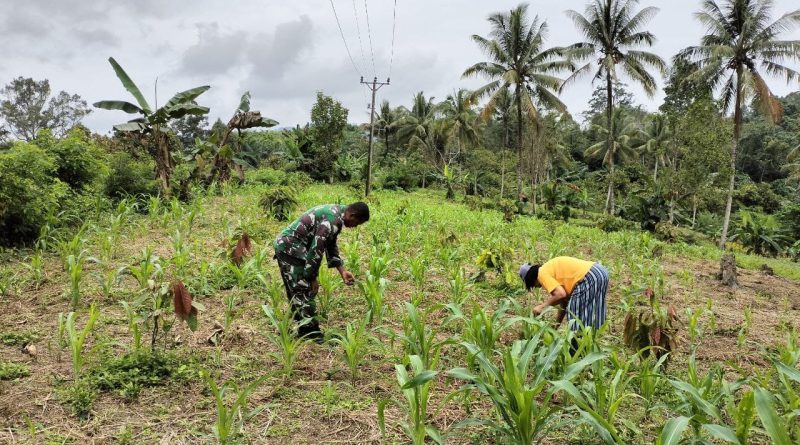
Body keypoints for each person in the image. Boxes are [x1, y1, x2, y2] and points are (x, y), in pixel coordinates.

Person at [273, 202, 370, 341]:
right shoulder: (333, 221)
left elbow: (330, 244)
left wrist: (342, 270)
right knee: (304, 288)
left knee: (297, 289)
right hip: (291, 246)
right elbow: (316, 251)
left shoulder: (338, 213)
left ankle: (301, 325)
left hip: (288, 245)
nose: (355, 227)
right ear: (352, 215)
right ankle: (311, 332)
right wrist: (312, 278)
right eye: (357, 223)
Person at [518, 256, 609, 331]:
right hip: (600, 272)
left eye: (532, 285)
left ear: (531, 279)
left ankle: (577, 349)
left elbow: (560, 294)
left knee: (576, 317)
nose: (536, 287)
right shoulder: (549, 269)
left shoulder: (541, 274)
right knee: (592, 313)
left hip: (589, 277)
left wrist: (542, 306)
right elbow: (564, 302)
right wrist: (556, 325)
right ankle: (590, 345)